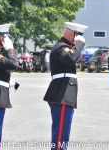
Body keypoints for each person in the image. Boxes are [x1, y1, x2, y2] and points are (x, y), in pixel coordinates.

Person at [43, 22, 88, 150]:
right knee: (60, 135)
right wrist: (80, 44)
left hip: (64, 94)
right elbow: (70, 58)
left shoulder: (65, 47)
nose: (78, 38)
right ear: (71, 33)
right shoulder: (60, 47)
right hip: (61, 94)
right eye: (77, 35)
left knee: (63, 134)